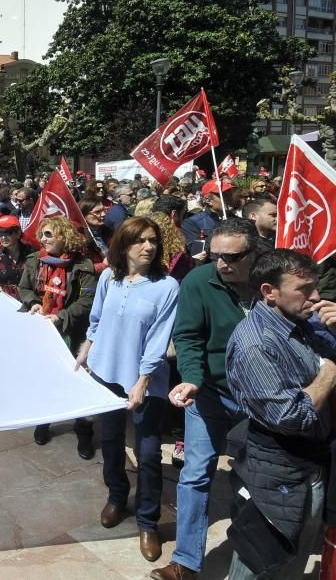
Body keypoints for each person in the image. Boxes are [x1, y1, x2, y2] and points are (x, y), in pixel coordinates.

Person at [150, 218, 263, 580]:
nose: (222, 264)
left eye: (232, 256)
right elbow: (188, 337)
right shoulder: (199, 281)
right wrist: (193, 381)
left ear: (255, 251)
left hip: (262, 401)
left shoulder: (274, 279)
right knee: (195, 476)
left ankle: (247, 560)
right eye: (215, 256)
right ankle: (185, 561)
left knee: (251, 481)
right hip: (209, 395)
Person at [222, 250, 336, 579]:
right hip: (277, 476)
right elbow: (292, 416)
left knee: (291, 561)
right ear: (269, 292)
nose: (315, 297)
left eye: (315, 286)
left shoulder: (302, 322)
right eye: (303, 289)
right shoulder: (256, 345)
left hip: (309, 466)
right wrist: (330, 371)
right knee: (260, 561)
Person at [75, 217, 179, 562]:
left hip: (144, 383)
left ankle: (148, 521)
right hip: (106, 372)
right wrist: (87, 349)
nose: (148, 246)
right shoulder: (109, 276)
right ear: (124, 245)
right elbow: (98, 318)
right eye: (140, 240)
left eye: (152, 240)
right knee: (110, 440)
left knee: (149, 453)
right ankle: (118, 497)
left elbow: (159, 339)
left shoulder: (166, 287)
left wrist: (144, 380)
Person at [18, 216, 98, 456]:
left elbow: (88, 299)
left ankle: (83, 431)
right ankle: (44, 420)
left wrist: (62, 316)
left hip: (72, 332)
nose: (43, 239)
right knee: (45, 377)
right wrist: (33, 303)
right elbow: (24, 288)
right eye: (42, 235)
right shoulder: (35, 260)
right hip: (43, 330)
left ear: (64, 237)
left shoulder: (83, 265)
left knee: (77, 380)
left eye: (49, 234)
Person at [181, 180, 233, 255]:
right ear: (208, 200)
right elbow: (197, 253)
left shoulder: (236, 219)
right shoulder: (192, 223)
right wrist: (220, 229)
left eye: (230, 194)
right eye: (224, 195)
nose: (230, 198)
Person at [80, 198, 112, 273]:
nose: (103, 214)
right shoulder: (81, 239)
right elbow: (81, 267)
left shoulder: (109, 232)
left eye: (104, 210)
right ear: (84, 215)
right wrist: (103, 265)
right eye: (97, 212)